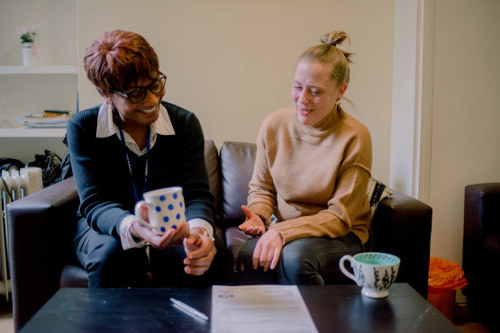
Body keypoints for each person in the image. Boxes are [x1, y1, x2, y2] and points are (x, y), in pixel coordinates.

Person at [67, 30, 224, 287]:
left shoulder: (184, 123)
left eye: (155, 85)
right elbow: (94, 203)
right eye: (136, 93)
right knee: (111, 254)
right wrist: (136, 228)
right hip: (107, 224)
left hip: (170, 220)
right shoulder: (83, 128)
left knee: (195, 252)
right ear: (106, 94)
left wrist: (198, 234)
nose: (152, 100)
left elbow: (196, 194)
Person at [236, 30, 373, 285]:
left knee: (296, 259)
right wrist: (261, 216)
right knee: (248, 255)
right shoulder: (273, 125)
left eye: (316, 91)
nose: (303, 99)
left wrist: (281, 232)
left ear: (340, 90)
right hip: (289, 230)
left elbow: (339, 218)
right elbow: (262, 189)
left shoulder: (355, 137)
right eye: (297, 87)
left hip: (342, 236)